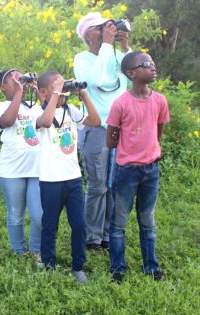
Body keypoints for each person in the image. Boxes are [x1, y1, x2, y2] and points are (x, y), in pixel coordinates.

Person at [106, 52, 169, 283]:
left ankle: (151, 268)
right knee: (119, 222)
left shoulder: (160, 100)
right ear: (131, 74)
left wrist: (149, 151)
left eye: (153, 63)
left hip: (151, 170)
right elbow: (111, 141)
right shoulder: (121, 103)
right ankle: (117, 270)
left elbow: (158, 130)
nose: (153, 68)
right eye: (146, 65)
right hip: (126, 171)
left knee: (148, 220)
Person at [74, 12, 132, 251]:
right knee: (98, 185)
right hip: (96, 129)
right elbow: (96, 79)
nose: (108, 29)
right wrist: (108, 45)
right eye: (102, 27)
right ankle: (92, 237)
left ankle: (107, 233)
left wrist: (125, 46)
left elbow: (132, 74)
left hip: (119, 128)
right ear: (89, 35)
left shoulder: (115, 54)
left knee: (114, 183)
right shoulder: (82, 59)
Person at [36, 71, 101, 282]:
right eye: (57, 86)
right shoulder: (37, 112)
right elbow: (45, 122)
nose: (63, 90)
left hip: (73, 178)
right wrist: (55, 94)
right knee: (50, 225)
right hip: (51, 180)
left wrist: (83, 94)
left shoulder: (71, 111)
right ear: (44, 92)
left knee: (79, 225)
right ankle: (48, 264)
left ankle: (78, 266)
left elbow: (95, 120)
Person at [0, 69, 43, 262]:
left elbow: (49, 120)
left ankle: (37, 250)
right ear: (4, 86)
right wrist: (19, 94)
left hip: (37, 168)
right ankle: (19, 252)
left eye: (22, 78)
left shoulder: (35, 107)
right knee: (16, 213)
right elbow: (7, 121)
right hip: (11, 169)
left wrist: (39, 93)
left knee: (39, 214)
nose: (20, 82)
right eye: (15, 80)